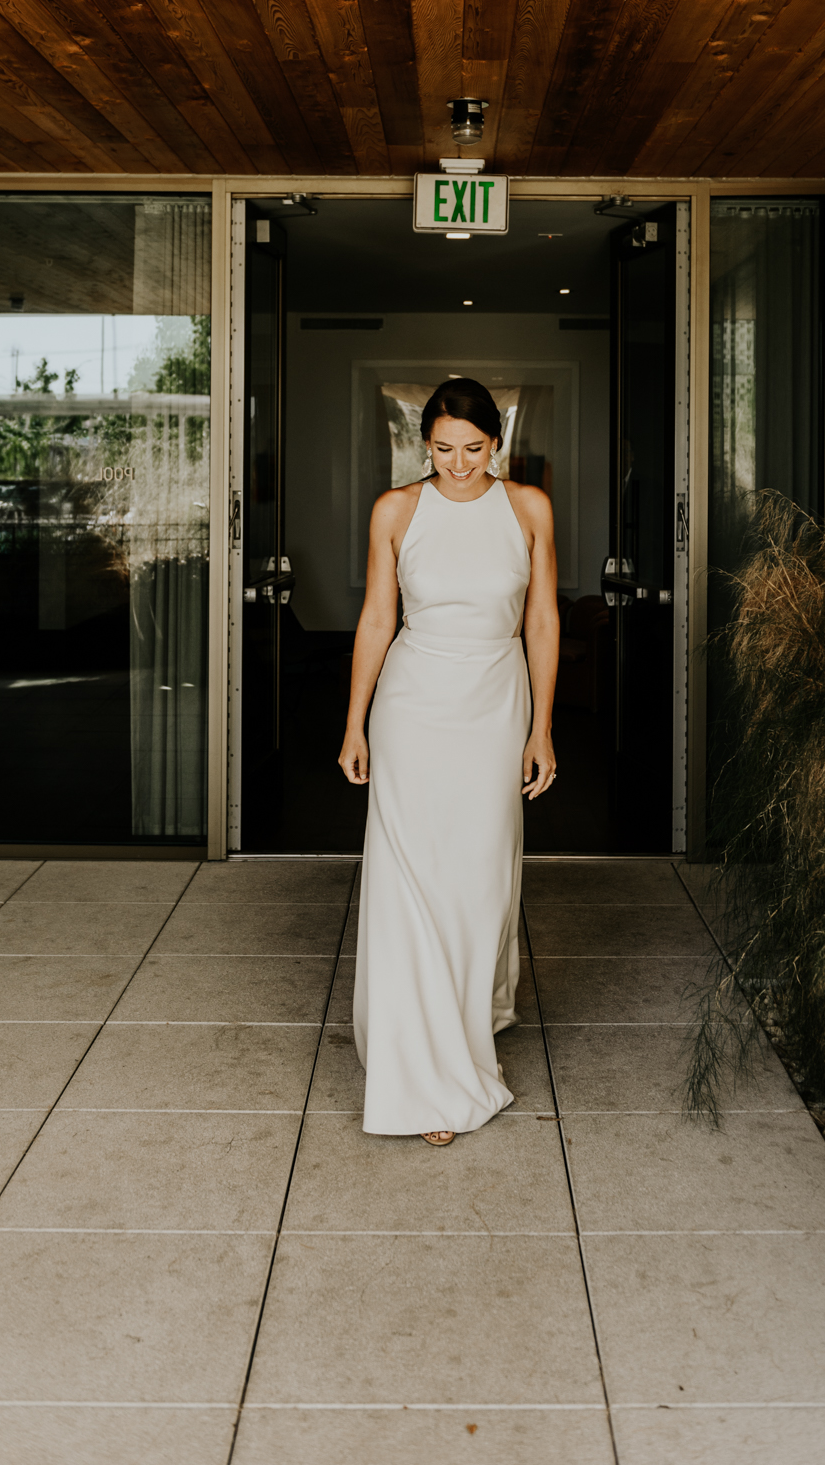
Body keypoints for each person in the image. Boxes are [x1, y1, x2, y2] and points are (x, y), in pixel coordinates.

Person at [338, 377, 559, 1146]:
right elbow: (375, 617)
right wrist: (354, 723)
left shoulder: (528, 508)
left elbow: (541, 618)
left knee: (476, 881)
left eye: (472, 449)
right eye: (441, 449)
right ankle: (425, 1074)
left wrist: (542, 729)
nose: (457, 464)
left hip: (495, 705)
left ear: (496, 442)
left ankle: (469, 1020)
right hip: (412, 705)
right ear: (421, 444)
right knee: (410, 881)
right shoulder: (395, 510)